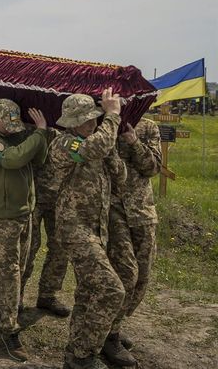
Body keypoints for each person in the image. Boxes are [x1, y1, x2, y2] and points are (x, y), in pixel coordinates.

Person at [50, 89, 127, 369]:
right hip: (75, 230)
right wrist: (113, 116)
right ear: (72, 122)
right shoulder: (64, 144)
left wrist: (111, 148)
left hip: (95, 231)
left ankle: (75, 353)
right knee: (111, 290)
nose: (93, 123)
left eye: (95, 118)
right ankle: (84, 354)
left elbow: (121, 176)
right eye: (87, 120)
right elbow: (91, 149)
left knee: (87, 292)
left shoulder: (97, 142)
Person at [0, 99, 49, 363]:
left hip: (23, 210)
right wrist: (39, 133)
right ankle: (9, 328)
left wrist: (37, 135)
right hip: (3, 215)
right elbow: (12, 159)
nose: (10, 129)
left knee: (20, 267)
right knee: (10, 272)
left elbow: (39, 158)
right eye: (6, 124)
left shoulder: (13, 134)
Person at [105, 118, 162, 363]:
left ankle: (111, 323)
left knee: (143, 274)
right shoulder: (104, 124)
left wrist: (134, 142)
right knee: (126, 273)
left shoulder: (148, 127)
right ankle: (110, 335)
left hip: (142, 210)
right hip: (113, 209)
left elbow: (153, 168)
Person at [21, 126, 72, 317]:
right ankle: (15, 295)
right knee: (28, 247)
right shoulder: (29, 125)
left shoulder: (69, 128)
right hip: (32, 194)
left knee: (60, 247)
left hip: (59, 196)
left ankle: (48, 294)